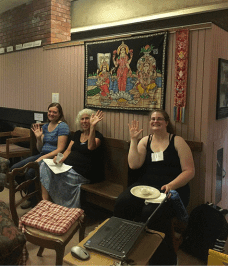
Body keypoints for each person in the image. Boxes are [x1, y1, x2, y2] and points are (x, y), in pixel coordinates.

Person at [114, 110, 194, 265]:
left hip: (172, 189)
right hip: (147, 186)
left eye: (159, 119)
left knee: (151, 213)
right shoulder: (146, 140)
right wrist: (133, 140)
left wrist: (172, 185)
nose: (155, 121)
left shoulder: (177, 141)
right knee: (121, 202)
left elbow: (189, 171)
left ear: (166, 122)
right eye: (152, 119)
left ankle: (163, 259)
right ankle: (123, 245)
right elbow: (134, 164)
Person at [40, 109, 105, 208]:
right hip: (68, 168)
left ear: (92, 120)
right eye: (82, 119)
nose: (84, 121)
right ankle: (45, 202)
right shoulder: (78, 134)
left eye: (87, 118)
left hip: (83, 173)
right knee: (44, 165)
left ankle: (65, 207)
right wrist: (59, 159)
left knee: (58, 177)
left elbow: (90, 147)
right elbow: (68, 151)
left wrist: (92, 127)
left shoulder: (98, 136)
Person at [10, 102, 69, 209]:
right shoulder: (45, 126)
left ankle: (32, 200)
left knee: (30, 173)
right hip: (42, 154)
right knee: (14, 168)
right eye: (50, 111)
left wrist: (42, 157)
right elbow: (40, 149)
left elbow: (60, 149)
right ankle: (30, 192)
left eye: (54, 112)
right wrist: (38, 138)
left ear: (60, 114)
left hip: (53, 158)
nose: (51, 114)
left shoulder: (63, 126)